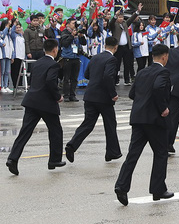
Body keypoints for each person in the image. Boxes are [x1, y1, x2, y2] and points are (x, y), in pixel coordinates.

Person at [114, 44, 173, 206]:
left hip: (139, 118)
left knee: (133, 154)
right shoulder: (163, 72)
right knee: (161, 153)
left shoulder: (142, 72)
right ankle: (157, 189)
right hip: (155, 119)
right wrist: (163, 108)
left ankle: (121, 186)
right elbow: (158, 88)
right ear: (164, 56)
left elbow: (133, 94)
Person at [6, 39, 65, 175]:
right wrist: (58, 97)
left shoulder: (37, 63)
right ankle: (54, 160)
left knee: (25, 132)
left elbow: (33, 80)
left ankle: (12, 158)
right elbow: (50, 81)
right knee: (55, 130)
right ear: (55, 50)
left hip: (32, 100)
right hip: (46, 103)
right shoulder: (53, 65)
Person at [65, 37, 121, 163]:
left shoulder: (95, 57)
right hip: (103, 97)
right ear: (116, 47)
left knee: (88, 124)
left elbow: (86, 75)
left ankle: (72, 145)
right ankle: (112, 152)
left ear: (105, 45)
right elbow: (108, 76)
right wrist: (113, 93)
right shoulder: (111, 59)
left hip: (90, 95)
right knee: (110, 125)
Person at [108, 3, 142, 85]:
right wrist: (115, 16)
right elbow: (111, 23)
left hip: (126, 47)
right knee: (117, 64)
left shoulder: (125, 24)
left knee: (127, 64)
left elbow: (132, 18)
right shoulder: (114, 25)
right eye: (119, 17)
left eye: (122, 17)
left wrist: (138, 11)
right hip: (118, 47)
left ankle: (127, 80)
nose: (121, 19)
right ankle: (116, 80)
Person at [59, 20, 86, 102]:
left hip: (76, 57)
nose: (75, 25)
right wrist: (72, 35)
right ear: (68, 24)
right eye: (73, 23)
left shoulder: (77, 32)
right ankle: (66, 95)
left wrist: (81, 36)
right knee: (67, 78)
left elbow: (84, 43)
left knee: (74, 78)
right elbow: (64, 43)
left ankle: (72, 94)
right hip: (67, 57)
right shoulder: (64, 32)